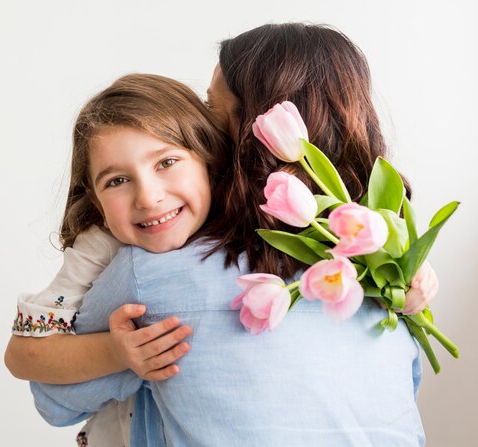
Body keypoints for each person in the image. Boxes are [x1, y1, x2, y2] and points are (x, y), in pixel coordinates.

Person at [26, 23, 439, 446]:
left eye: (212, 109)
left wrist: (118, 358)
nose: (202, 124)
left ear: (249, 132)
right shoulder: (383, 277)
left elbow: (54, 399)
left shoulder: (151, 270)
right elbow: (408, 384)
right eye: (117, 180)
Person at [7, 73, 229, 445]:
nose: (148, 197)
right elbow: (22, 354)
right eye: (117, 181)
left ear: (209, 160)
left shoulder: (249, 230)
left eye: (166, 162)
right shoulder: (102, 245)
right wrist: (115, 352)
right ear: (96, 202)